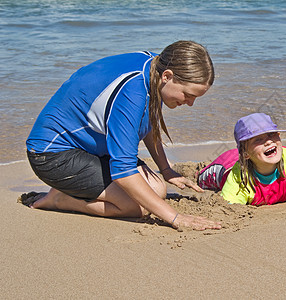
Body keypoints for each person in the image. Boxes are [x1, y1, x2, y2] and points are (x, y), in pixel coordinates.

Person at [23, 41, 221, 230]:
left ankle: (74, 190)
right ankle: (61, 200)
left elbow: (148, 123)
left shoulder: (155, 67)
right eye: (188, 95)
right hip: (52, 155)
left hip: (91, 149)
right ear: (167, 76)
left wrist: (166, 171)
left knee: (157, 188)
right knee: (138, 208)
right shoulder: (132, 91)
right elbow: (123, 172)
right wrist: (176, 218)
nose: (190, 103)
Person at [198, 113, 286, 206]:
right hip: (228, 165)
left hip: (272, 155)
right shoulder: (239, 177)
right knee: (201, 179)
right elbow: (228, 207)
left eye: (272, 134)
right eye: (258, 139)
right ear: (245, 153)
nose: (268, 141)